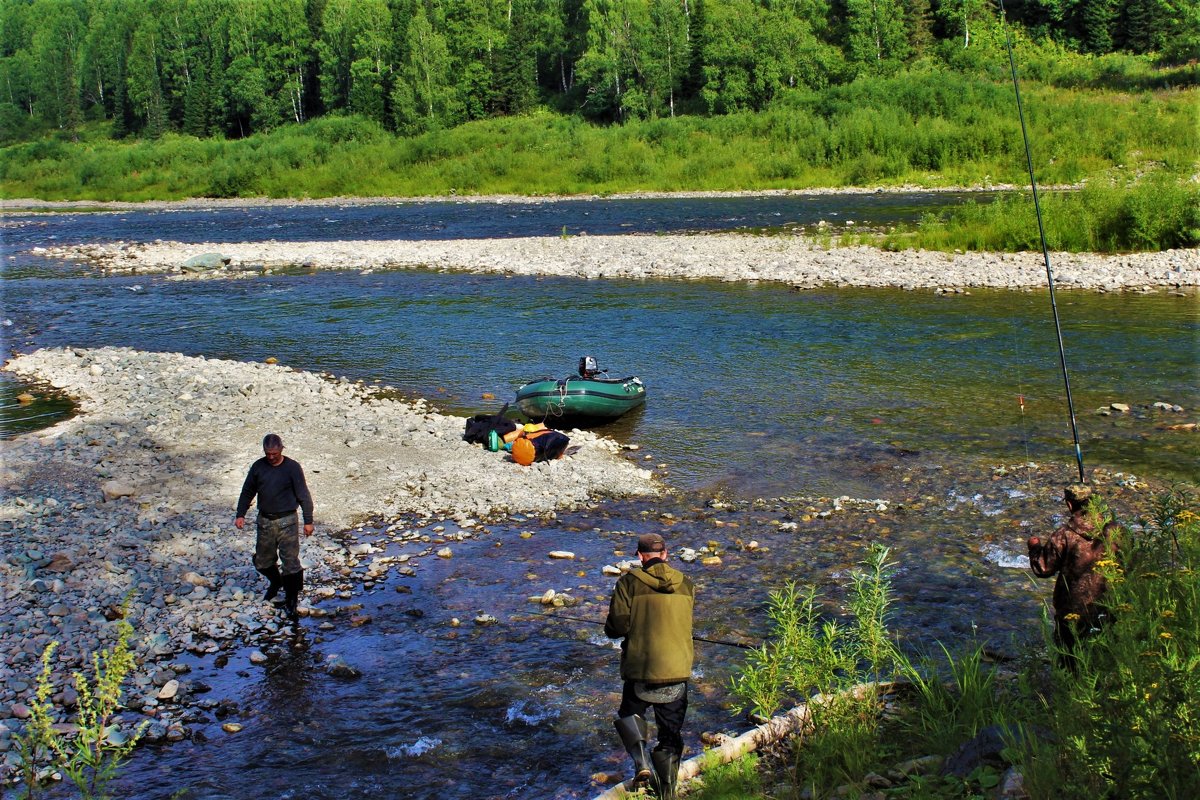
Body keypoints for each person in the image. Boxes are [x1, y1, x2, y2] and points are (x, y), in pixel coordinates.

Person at [604, 532, 695, 800]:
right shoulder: (687, 584)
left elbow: (617, 628)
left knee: (629, 715)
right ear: (665, 554)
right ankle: (666, 793)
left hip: (641, 670)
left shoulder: (628, 583)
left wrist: (613, 627)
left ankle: (642, 762)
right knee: (670, 735)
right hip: (677, 671)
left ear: (640, 556)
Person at [1027, 483, 1119, 667]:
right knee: (1103, 654)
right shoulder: (1115, 530)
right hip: (1108, 605)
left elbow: (1043, 569)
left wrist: (1034, 548)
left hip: (1072, 610)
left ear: (1070, 505)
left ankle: (1071, 689)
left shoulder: (1064, 535)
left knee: (1069, 659)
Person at [235, 434, 314, 621]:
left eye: (274, 453)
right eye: (268, 453)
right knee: (262, 561)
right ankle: (276, 582)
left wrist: (308, 521)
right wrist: (240, 514)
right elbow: (247, 491)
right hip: (265, 521)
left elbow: (303, 494)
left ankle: (292, 599)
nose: (271, 457)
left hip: (288, 520)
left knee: (290, 561)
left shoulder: (292, 468)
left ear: (281, 450)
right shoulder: (258, 467)